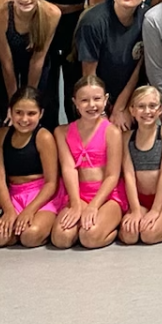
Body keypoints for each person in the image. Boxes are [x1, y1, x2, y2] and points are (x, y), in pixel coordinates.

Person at [0, 88, 63, 250]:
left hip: (42, 197)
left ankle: (46, 223)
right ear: (10, 112)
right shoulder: (0, 136)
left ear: (41, 114)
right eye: (19, 112)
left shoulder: (44, 137)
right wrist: (8, 211)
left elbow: (51, 183)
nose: (24, 119)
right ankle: (17, 227)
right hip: (14, 195)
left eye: (31, 114)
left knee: (30, 236)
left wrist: (29, 211)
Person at [55, 75, 125, 249]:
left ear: (106, 99)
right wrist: (76, 205)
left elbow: (112, 175)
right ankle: (88, 220)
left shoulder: (112, 132)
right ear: (75, 102)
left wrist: (94, 206)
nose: (91, 105)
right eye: (84, 100)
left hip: (108, 195)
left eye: (97, 99)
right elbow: (69, 169)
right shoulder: (62, 132)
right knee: (61, 239)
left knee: (89, 237)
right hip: (79, 193)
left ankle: (115, 227)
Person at [75, 0, 149, 126]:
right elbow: (89, 76)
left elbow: (139, 67)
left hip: (129, 93)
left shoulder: (148, 20)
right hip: (94, 94)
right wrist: (101, 112)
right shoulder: (94, 22)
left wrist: (121, 107)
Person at [0, 0, 60, 122]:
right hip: (5, 61)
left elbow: (38, 61)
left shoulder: (52, 14)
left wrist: (29, 100)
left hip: (36, 61)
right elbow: (6, 64)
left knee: (38, 111)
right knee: (10, 114)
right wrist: (15, 104)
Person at [118, 84, 162, 246]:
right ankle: (142, 217)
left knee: (148, 236)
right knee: (130, 236)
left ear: (160, 110)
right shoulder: (126, 137)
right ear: (132, 110)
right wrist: (136, 210)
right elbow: (129, 175)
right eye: (141, 107)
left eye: (152, 106)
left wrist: (156, 210)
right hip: (139, 200)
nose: (147, 111)